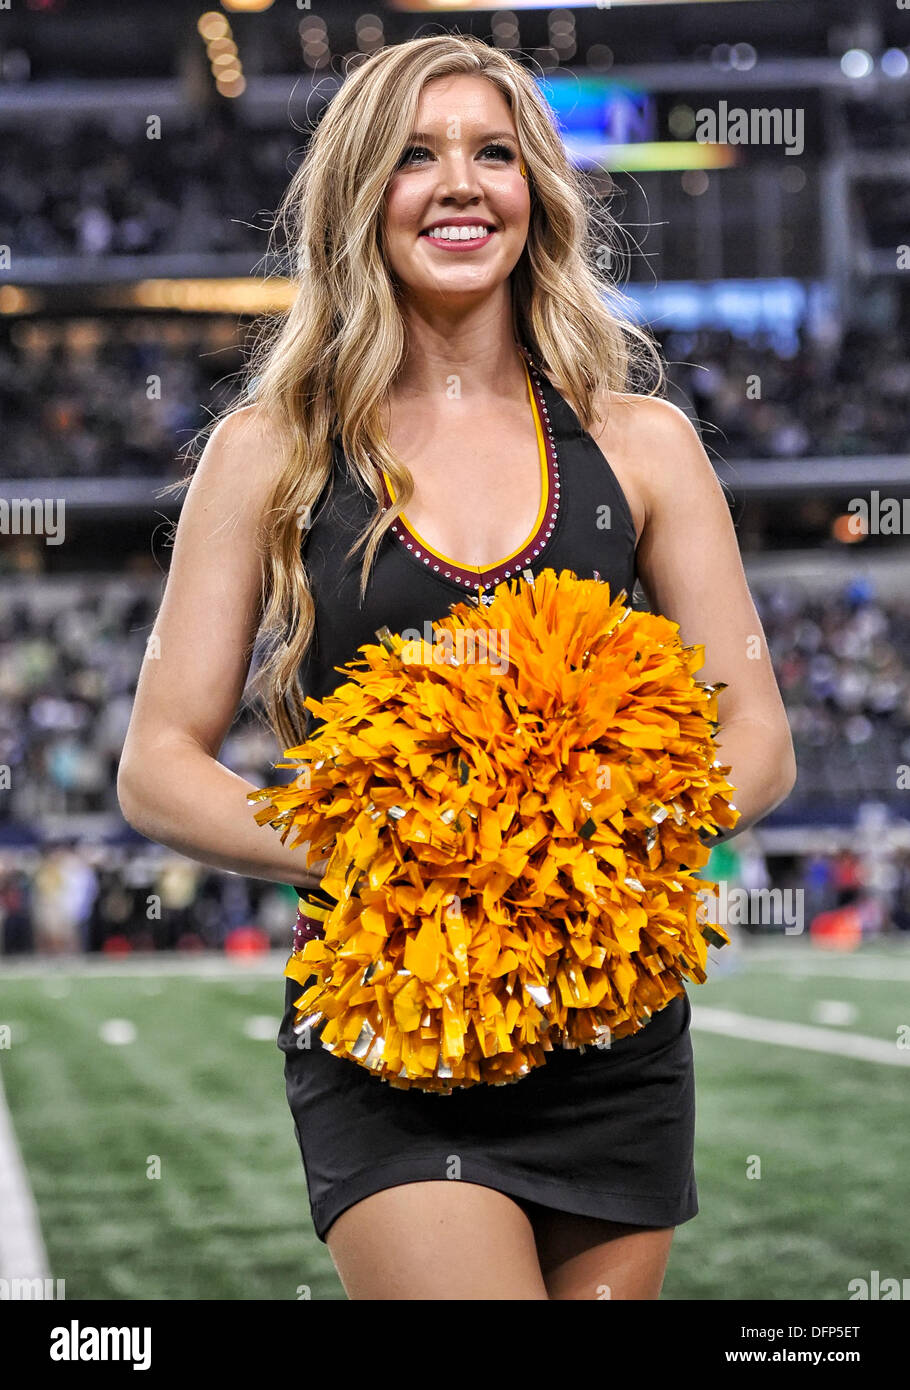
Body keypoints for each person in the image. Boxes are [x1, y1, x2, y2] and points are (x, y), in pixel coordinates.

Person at [117, 35, 796, 1301]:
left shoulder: (639, 442)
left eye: (493, 152)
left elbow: (754, 733)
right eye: (415, 156)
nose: (459, 184)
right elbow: (157, 767)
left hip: (609, 1026)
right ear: (358, 195)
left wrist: (596, 839)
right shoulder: (270, 449)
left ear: (536, 189)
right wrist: (392, 846)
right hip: (391, 1030)